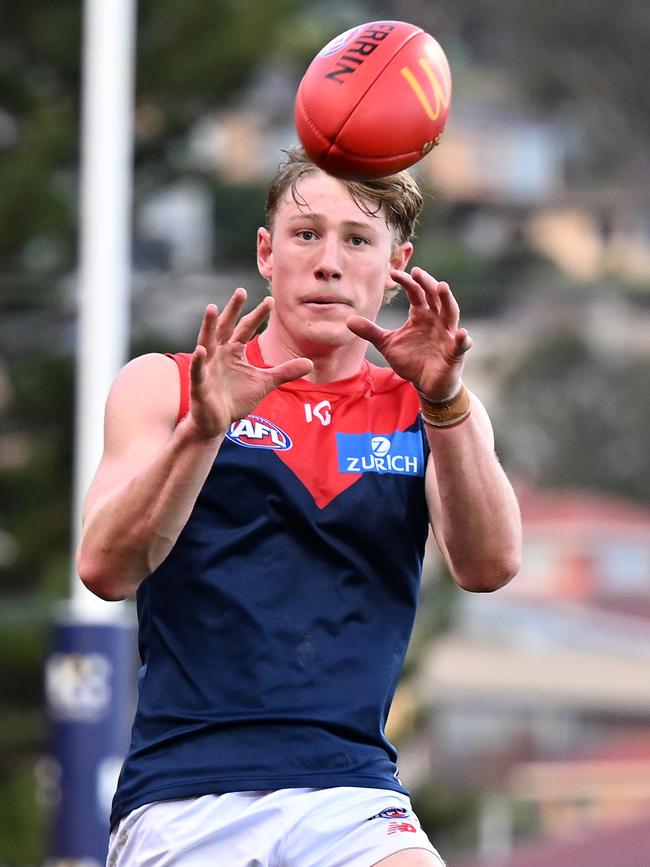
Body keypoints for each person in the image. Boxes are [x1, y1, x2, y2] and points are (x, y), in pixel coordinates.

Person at [77, 146, 522, 867]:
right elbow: (104, 567)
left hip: (351, 793)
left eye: (356, 239)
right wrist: (204, 430)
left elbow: (491, 563)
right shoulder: (167, 386)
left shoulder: (427, 407)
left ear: (396, 265)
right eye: (306, 233)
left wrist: (445, 402)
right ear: (266, 252)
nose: (328, 261)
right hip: (185, 797)